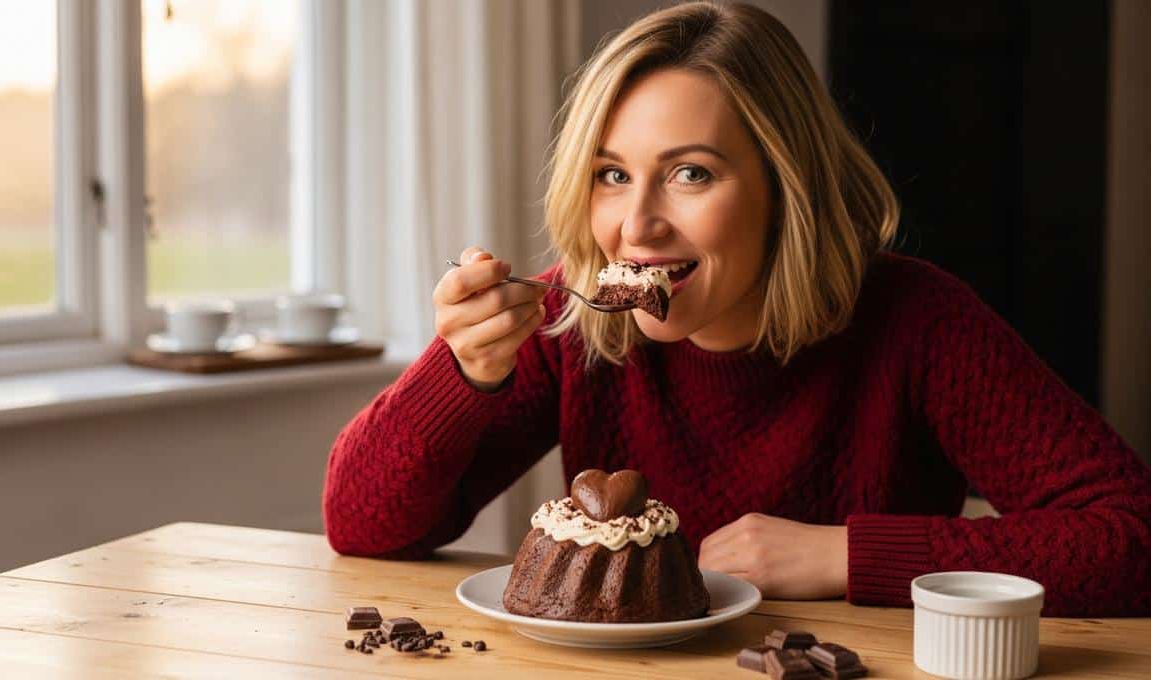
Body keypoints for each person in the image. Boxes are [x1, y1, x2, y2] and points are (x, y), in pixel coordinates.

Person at [322, 1, 1151, 616]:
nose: (636, 226)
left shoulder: (916, 320)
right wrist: (458, 372)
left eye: (690, 173)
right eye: (611, 174)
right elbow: (362, 527)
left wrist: (847, 555)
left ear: (785, 189)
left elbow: (1133, 539)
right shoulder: (572, 322)